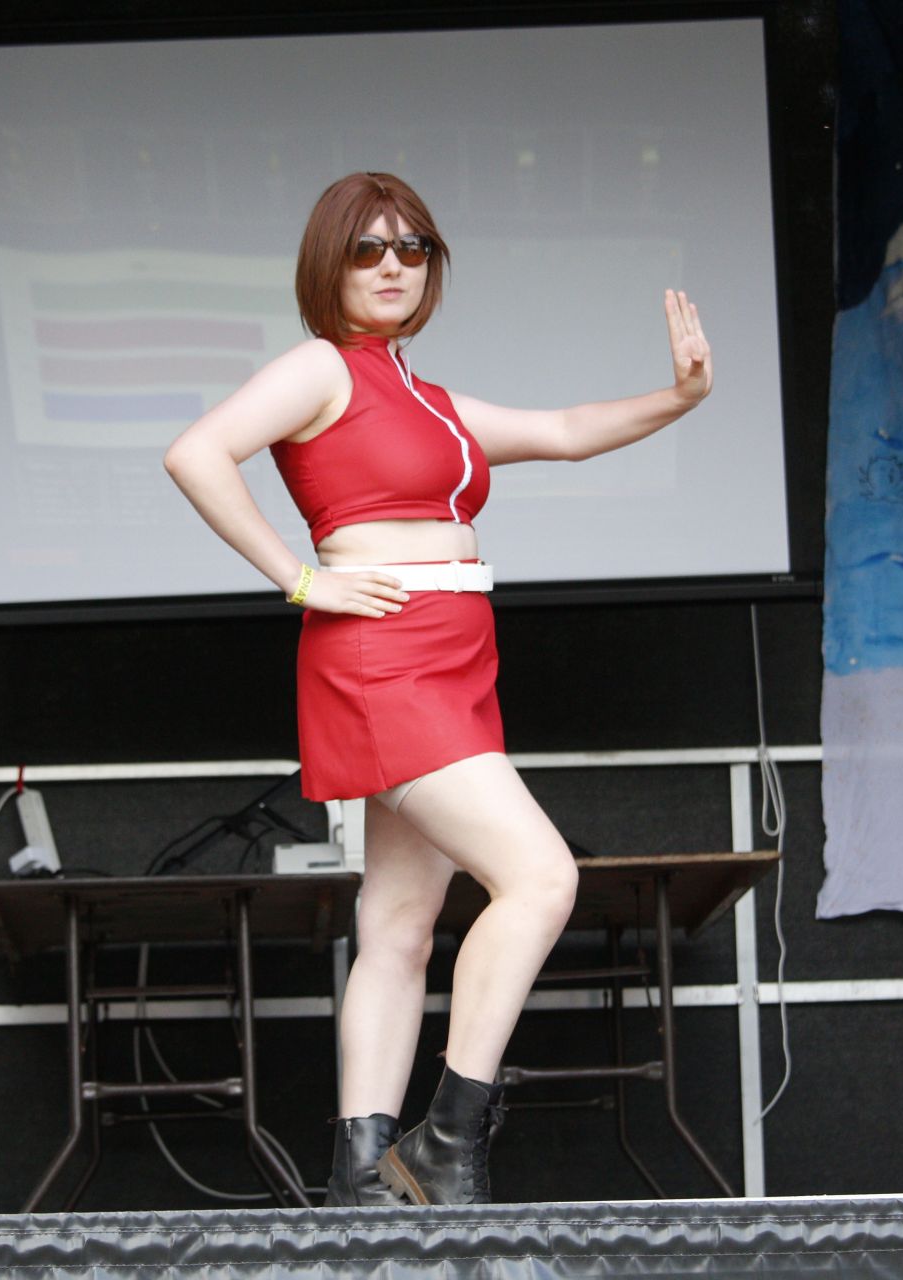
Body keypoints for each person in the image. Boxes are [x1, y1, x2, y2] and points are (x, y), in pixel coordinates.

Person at [163, 172, 710, 1206]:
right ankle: (448, 1141)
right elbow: (196, 453)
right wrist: (299, 578)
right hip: (385, 659)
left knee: (401, 923)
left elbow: (566, 429)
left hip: (455, 663)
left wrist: (678, 397)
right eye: (367, 248)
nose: (393, 266)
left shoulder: (430, 400)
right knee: (540, 877)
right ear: (328, 265)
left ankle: (362, 1177)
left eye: (412, 248)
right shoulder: (321, 369)